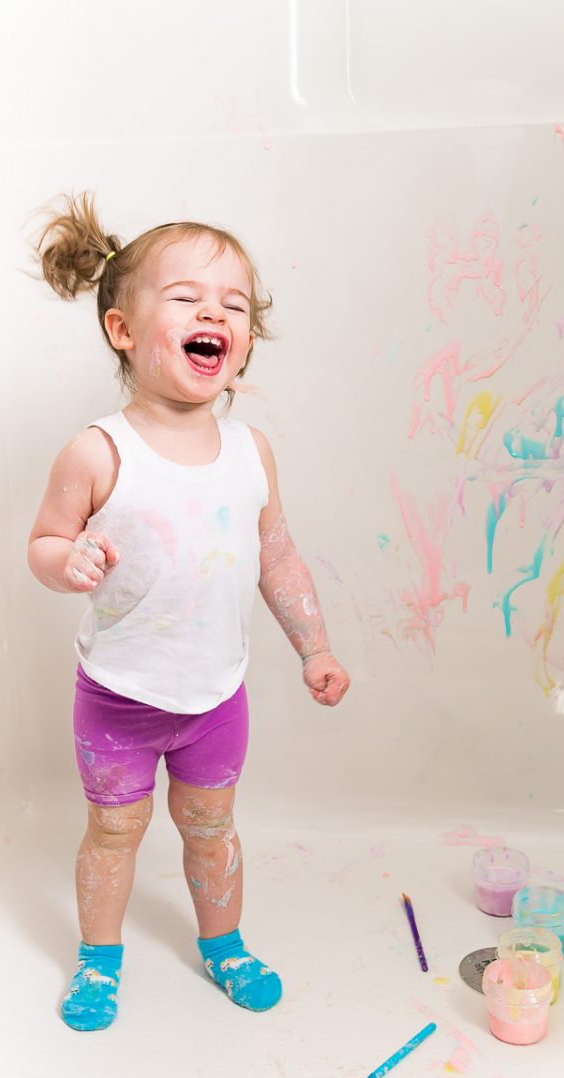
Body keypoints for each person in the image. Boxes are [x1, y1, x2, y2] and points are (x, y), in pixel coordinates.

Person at [27, 193, 350, 1032]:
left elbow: (274, 552)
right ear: (123, 330)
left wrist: (313, 644)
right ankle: (99, 960)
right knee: (115, 831)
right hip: (120, 697)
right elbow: (42, 543)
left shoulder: (251, 451)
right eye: (186, 298)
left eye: (234, 305)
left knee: (212, 830)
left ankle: (225, 942)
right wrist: (71, 560)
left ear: (241, 345)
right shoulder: (98, 450)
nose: (215, 311)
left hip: (215, 697)